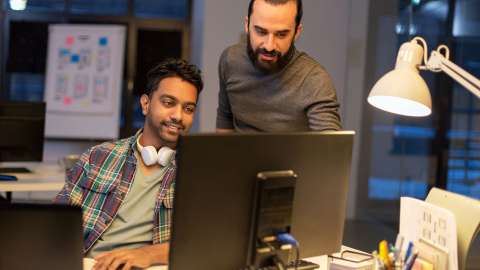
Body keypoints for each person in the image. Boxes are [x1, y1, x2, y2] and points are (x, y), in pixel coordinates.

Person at [55, 58, 203, 270]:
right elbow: (55, 225)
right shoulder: (98, 157)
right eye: (168, 103)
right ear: (145, 104)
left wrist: (149, 254)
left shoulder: (198, 172)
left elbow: (209, 240)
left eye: (188, 108)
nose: (178, 116)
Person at [216, 0, 341, 132]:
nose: (269, 46)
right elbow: (225, 121)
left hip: (292, 153)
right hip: (238, 152)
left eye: (281, 35)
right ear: (247, 25)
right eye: (261, 32)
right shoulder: (230, 60)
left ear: (296, 32)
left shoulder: (314, 80)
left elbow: (329, 149)